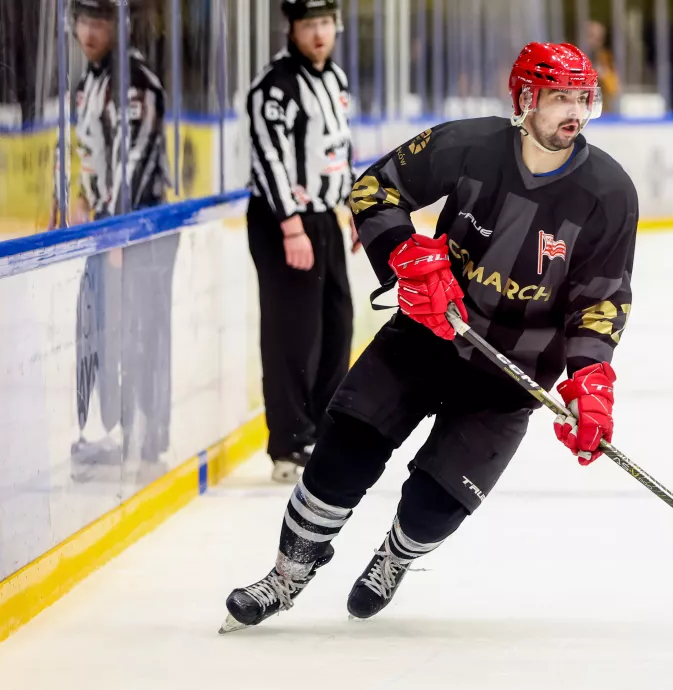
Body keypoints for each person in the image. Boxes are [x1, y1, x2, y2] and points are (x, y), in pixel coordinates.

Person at [220, 41, 638, 632]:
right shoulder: (468, 145)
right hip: (425, 336)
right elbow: (374, 189)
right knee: (346, 446)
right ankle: (288, 574)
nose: (574, 111)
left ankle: (393, 557)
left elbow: (601, 297)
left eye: (582, 98)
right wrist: (406, 256)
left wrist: (591, 379)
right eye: (558, 98)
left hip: (511, 374)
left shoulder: (609, 193)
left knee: (437, 503)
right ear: (525, 99)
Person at [58, 0, 177, 485]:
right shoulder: (89, 81)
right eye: (84, 19)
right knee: (100, 333)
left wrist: (117, 231)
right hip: (107, 231)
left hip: (137, 233)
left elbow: (136, 165)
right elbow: (90, 153)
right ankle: (110, 435)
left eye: (101, 20)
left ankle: (143, 444)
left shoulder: (135, 82)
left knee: (140, 336)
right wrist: (80, 196)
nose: (90, 30)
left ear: (119, 24)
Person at [245, 0, 358, 483]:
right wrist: (290, 225)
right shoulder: (274, 87)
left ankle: (323, 433)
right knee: (293, 334)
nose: (319, 33)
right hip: (283, 222)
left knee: (337, 326)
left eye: (326, 23)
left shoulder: (335, 79)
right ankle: (289, 445)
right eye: (309, 24)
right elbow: (268, 157)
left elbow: (340, 148)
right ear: (291, 28)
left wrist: (354, 207)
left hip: (325, 218)